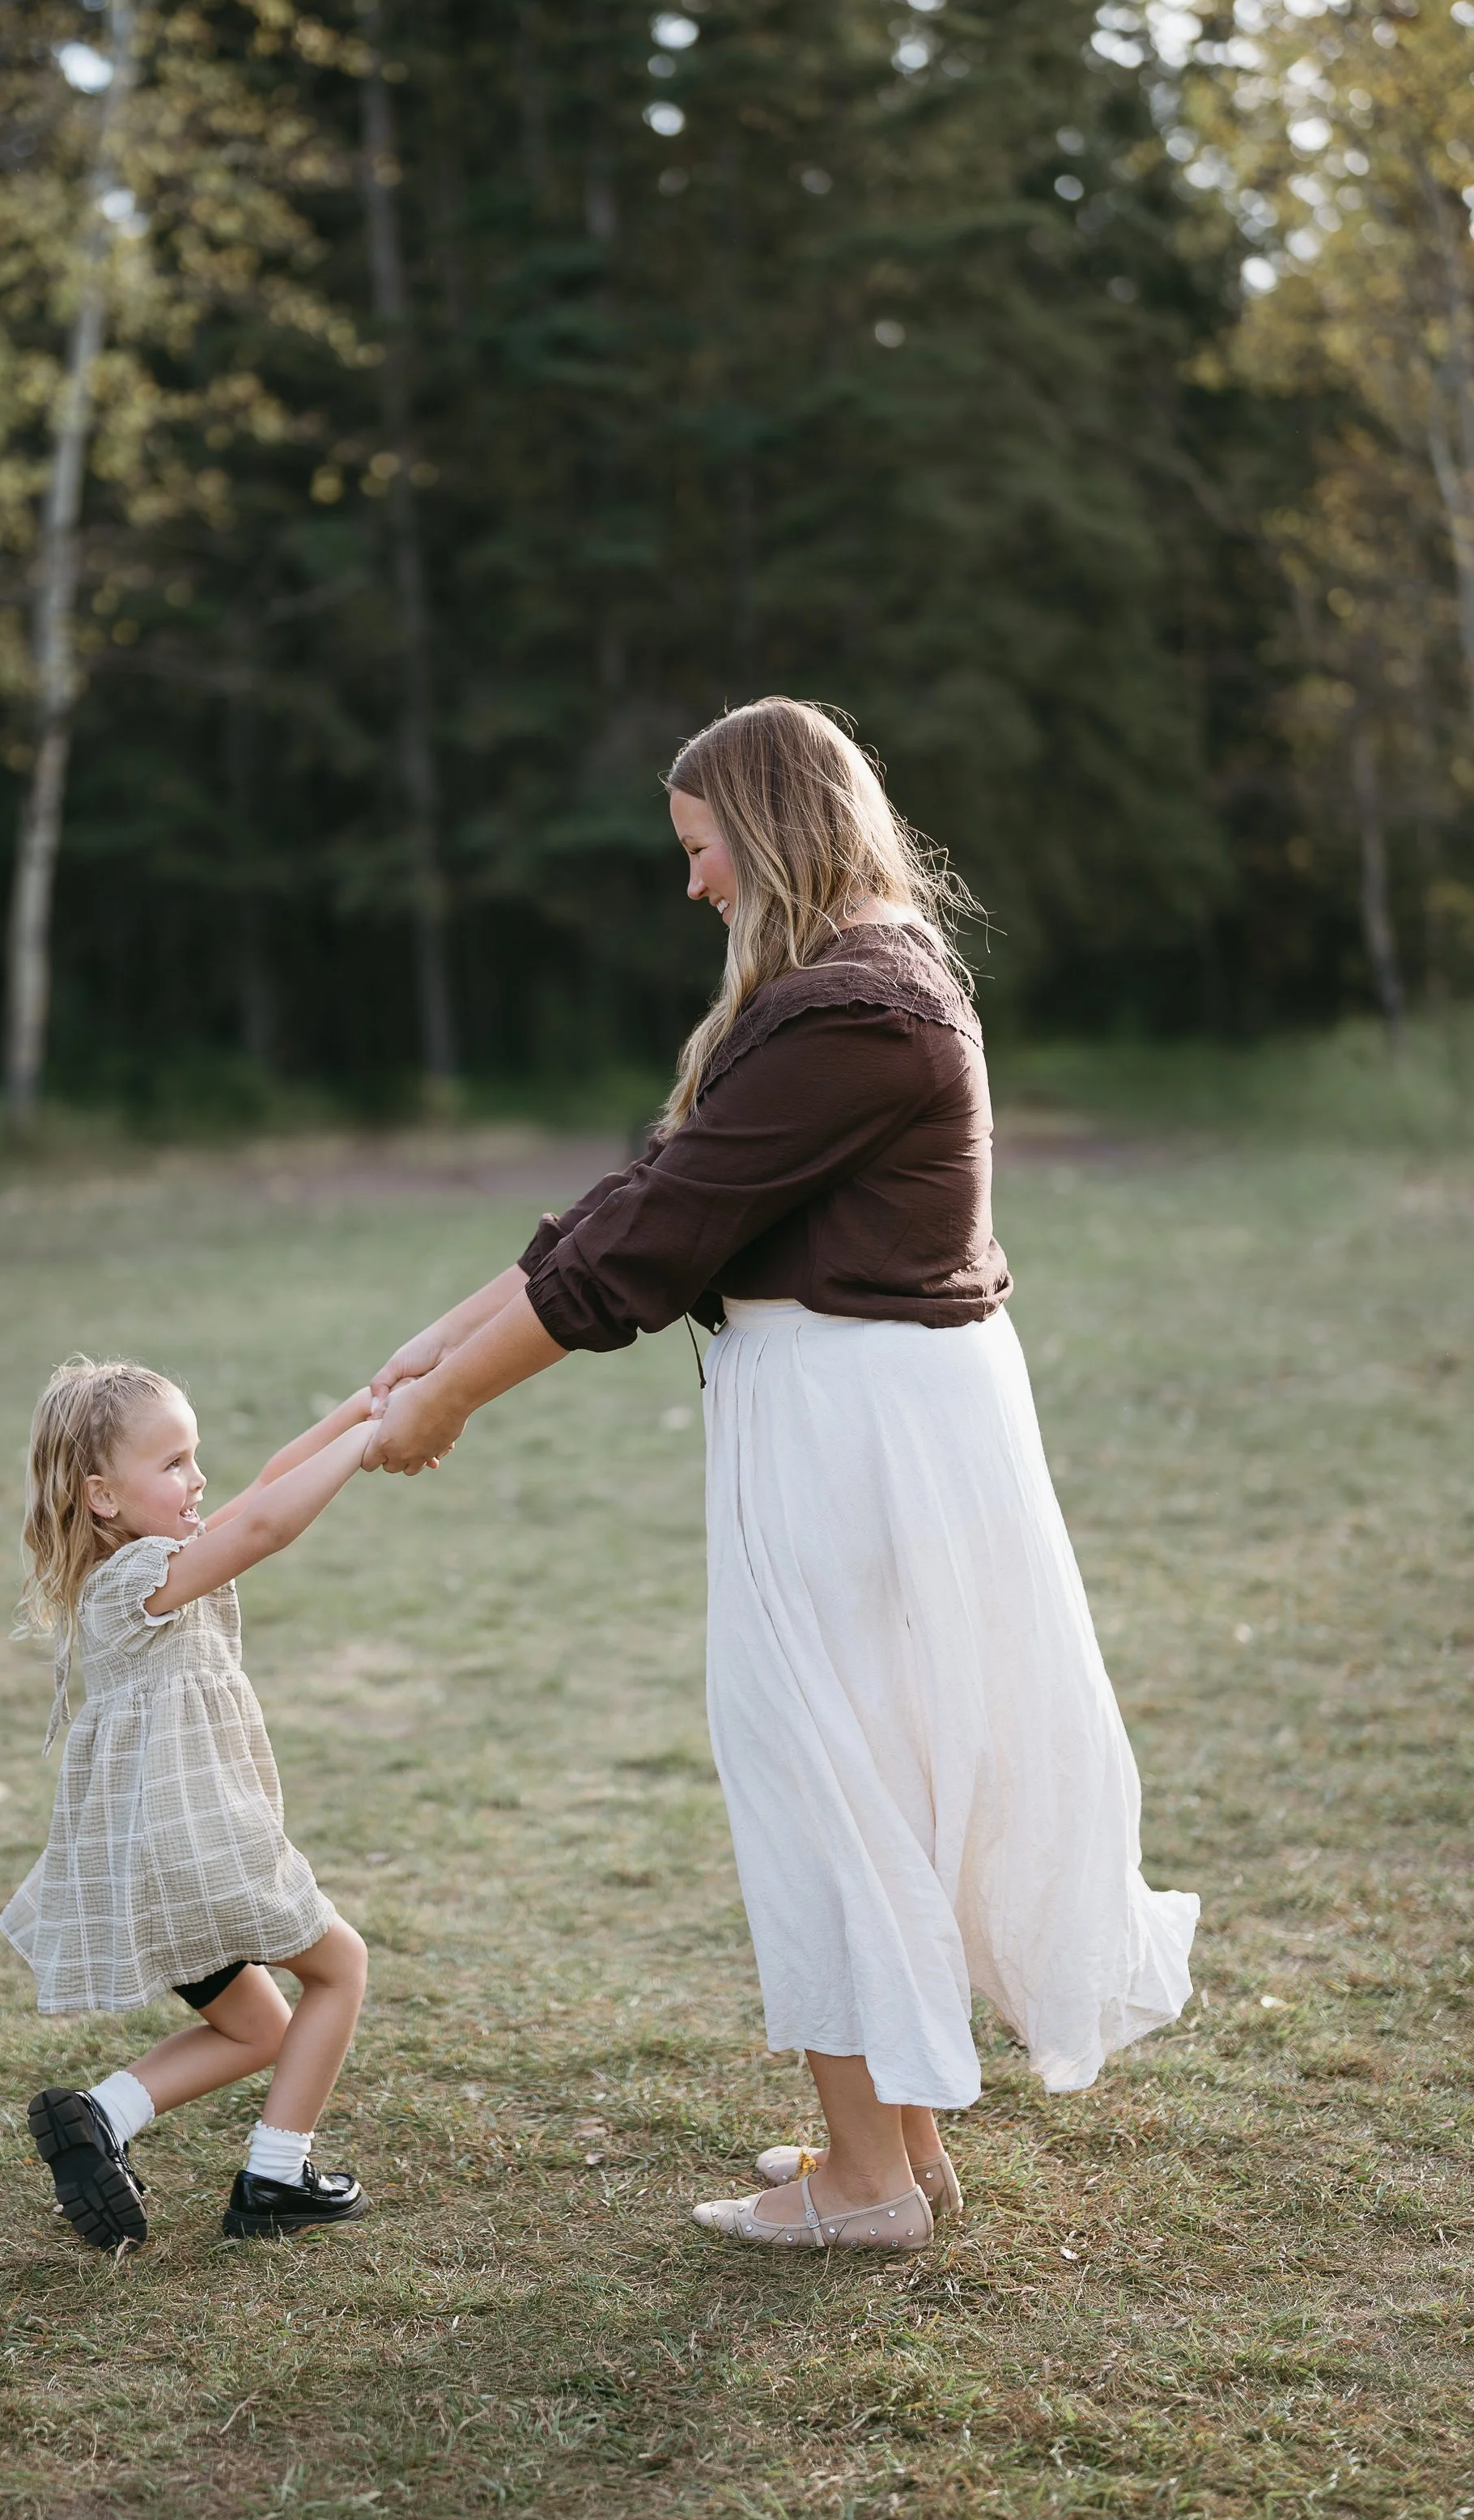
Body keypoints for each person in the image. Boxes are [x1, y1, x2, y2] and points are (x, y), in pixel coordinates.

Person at [367, 698, 1197, 2256]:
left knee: (819, 1771)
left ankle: (868, 2182)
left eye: (703, 853)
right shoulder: (861, 988)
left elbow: (659, 1238)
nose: (692, 887)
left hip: (854, 1429)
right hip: (850, 1415)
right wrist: (433, 1344)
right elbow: (652, 1194)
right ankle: (898, 2141)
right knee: (859, 1760)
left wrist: (450, 1404)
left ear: (772, 830)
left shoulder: (853, 1014)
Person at [2, 1354, 377, 2250]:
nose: (197, 1477)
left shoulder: (143, 1566)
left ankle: (100, 2115)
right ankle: (275, 2178)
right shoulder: (135, 1582)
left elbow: (264, 1488)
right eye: (171, 1463)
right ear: (101, 1496)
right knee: (340, 1969)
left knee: (258, 2026)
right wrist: (366, 1445)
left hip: (160, 1863)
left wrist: (367, 1403)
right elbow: (264, 1527)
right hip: (199, 1851)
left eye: (193, 1454)